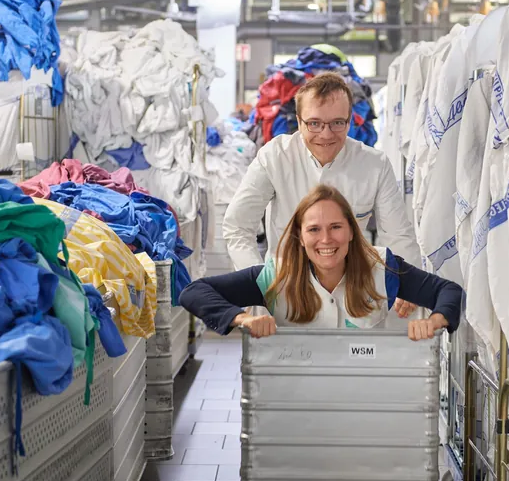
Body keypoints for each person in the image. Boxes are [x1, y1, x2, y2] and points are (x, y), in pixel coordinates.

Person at [223, 72, 420, 317]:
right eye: (314, 123)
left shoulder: (374, 164)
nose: (326, 134)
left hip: (352, 302)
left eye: (337, 123)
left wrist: (408, 285)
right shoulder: (275, 157)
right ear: (299, 120)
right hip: (283, 299)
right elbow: (237, 226)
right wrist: (258, 288)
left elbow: (398, 235)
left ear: (350, 121)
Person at [181, 185, 462, 340]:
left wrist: (434, 321)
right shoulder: (277, 277)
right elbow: (194, 292)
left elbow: (447, 291)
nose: (326, 239)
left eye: (336, 227)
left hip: (363, 399)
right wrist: (243, 318)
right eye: (314, 229)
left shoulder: (382, 268)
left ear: (352, 231)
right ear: (300, 237)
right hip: (297, 404)